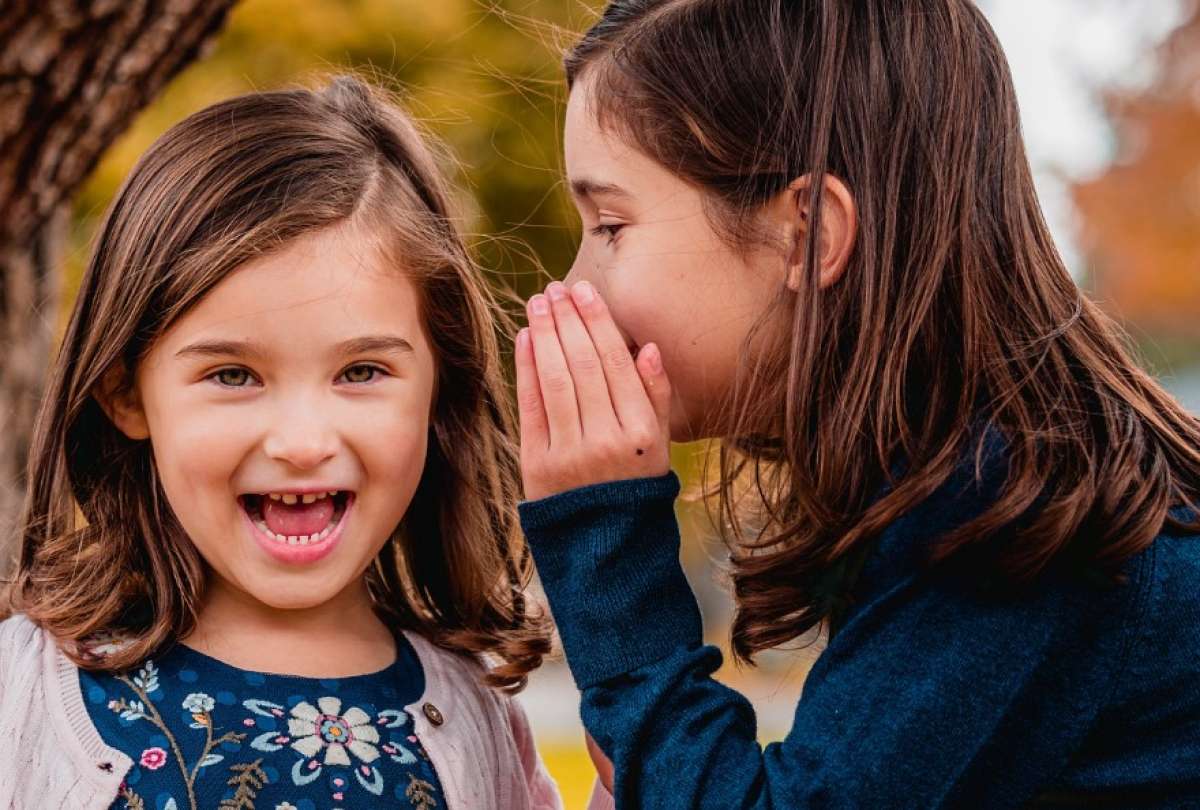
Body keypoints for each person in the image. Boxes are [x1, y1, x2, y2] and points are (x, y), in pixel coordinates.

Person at [515, 1, 1200, 806]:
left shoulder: (1012, 512)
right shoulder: (1005, 469)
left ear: (808, 236)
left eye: (609, 224)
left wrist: (603, 537)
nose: (573, 286)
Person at [0, 76, 569, 810]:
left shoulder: (481, 727)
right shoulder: (21, 701)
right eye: (233, 375)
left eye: (361, 371)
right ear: (126, 394)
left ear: (440, 388)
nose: (302, 443)